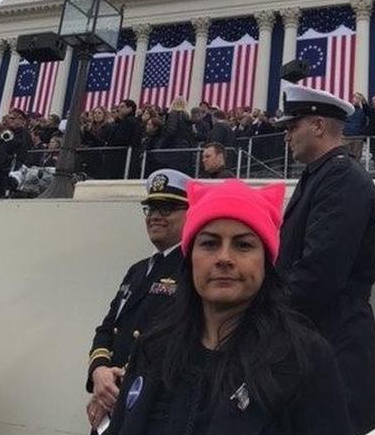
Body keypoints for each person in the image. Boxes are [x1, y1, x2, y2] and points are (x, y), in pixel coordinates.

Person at [104, 179, 352, 435]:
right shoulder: (152, 348)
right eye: (210, 243)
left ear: (266, 261)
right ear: (190, 259)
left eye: (243, 245)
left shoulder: (303, 359)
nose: (224, 258)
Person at [274, 81, 375, 434]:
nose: (286, 135)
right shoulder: (321, 175)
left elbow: (319, 272)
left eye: (293, 126)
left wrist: (264, 311)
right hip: (312, 337)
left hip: (334, 339)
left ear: (319, 126)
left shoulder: (340, 177)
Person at [85, 169, 191, 429]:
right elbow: (108, 328)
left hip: (151, 406)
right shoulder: (138, 270)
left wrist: (123, 380)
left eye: (167, 208)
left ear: (190, 213)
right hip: (111, 400)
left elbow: (179, 341)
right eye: (151, 208)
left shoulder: (192, 270)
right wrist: (99, 372)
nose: (155, 216)